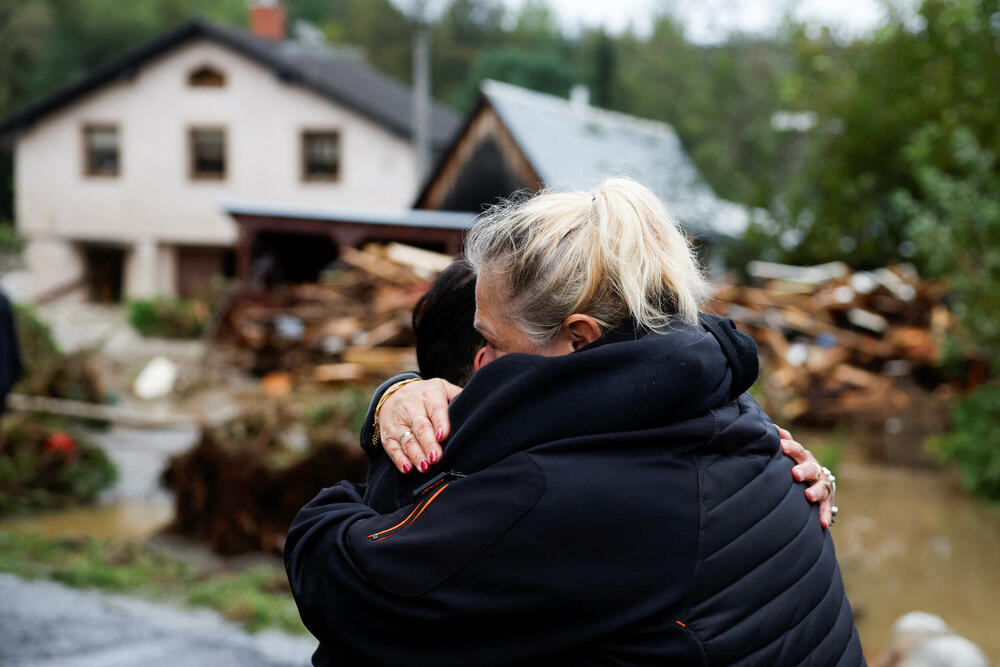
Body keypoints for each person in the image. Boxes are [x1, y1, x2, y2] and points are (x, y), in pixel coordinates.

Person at [285, 178, 862, 665]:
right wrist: (400, 398)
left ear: (579, 336)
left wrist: (398, 436)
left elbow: (345, 583)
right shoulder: (732, 415)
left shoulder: (553, 490)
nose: (479, 366)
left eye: (490, 340)